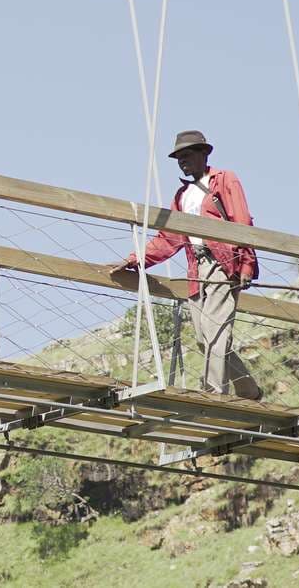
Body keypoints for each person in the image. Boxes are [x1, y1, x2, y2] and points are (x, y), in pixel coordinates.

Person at [110, 130, 263, 401]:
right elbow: (169, 238)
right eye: (179, 158)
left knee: (215, 329)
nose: (183, 161)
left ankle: (213, 393)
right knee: (205, 338)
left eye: (188, 155)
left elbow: (241, 222)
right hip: (197, 268)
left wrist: (246, 265)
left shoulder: (224, 179)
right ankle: (248, 389)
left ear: (204, 154)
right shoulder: (182, 195)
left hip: (222, 264)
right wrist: (135, 260)